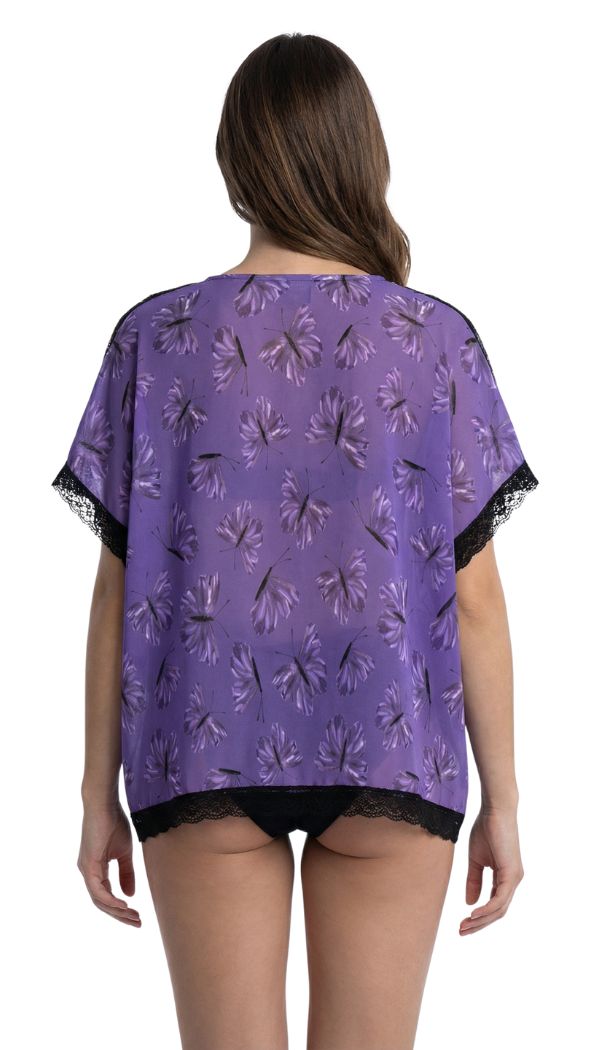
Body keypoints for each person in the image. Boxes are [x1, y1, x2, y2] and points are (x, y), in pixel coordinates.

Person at [51, 32, 539, 1050]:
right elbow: (476, 597)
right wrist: (505, 799)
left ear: (236, 160)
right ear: (365, 155)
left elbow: (116, 589)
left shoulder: (156, 337)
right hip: (392, 745)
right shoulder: (434, 339)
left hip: (199, 742)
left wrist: (95, 794)